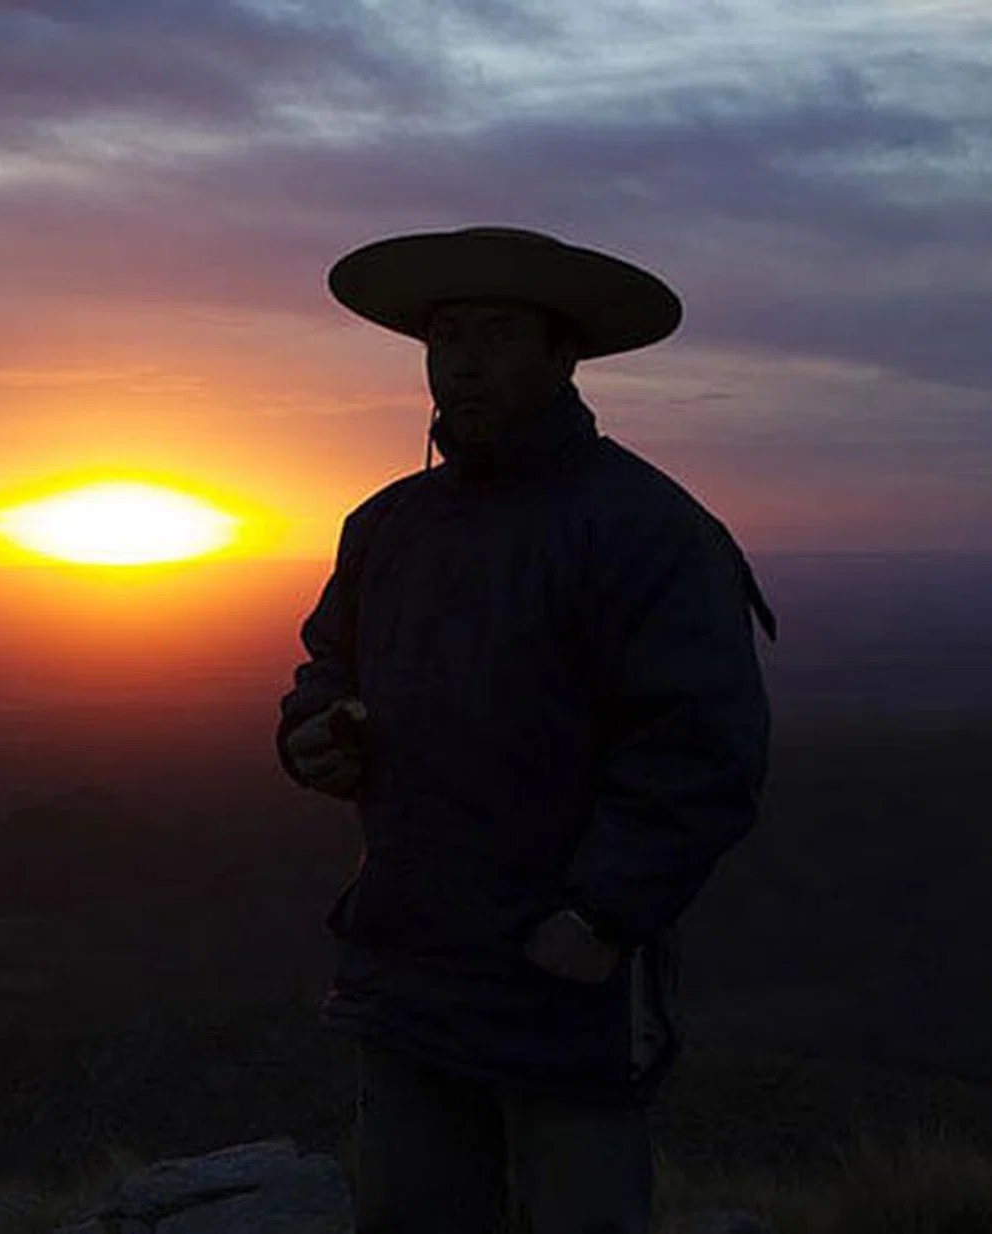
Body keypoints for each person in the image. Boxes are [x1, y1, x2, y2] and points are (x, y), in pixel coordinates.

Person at [277, 226, 779, 1234]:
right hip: (409, 961)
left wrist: (600, 916)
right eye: (445, 336)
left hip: (567, 980)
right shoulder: (386, 527)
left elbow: (701, 747)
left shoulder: (647, 528)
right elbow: (326, 668)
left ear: (563, 356)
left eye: (498, 334)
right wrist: (312, 733)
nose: (461, 360)